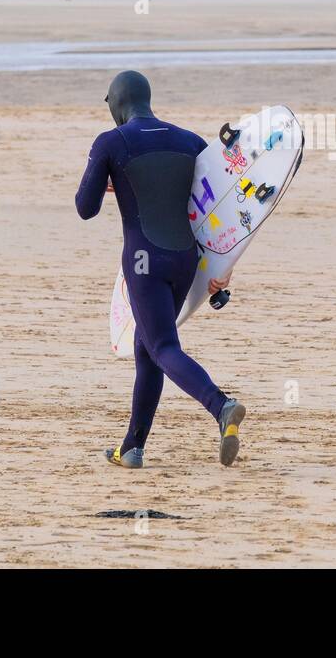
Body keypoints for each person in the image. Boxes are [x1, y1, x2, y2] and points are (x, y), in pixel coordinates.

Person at [75, 71, 245, 469]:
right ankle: (132, 448)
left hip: (142, 261)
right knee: (146, 347)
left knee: (163, 347)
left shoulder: (111, 142)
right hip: (185, 258)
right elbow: (217, 209)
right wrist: (225, 267)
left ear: (116, 104)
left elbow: (86, 208)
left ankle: (222, 407)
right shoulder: (189, 140)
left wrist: (110, 177)